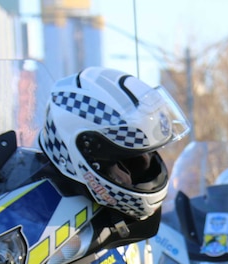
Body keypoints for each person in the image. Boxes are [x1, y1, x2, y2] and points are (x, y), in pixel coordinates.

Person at [39, 66, 189, 222]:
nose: (143, 164)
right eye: (128, 161)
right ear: (88, 152)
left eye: (139, 158)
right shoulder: (43, 213)